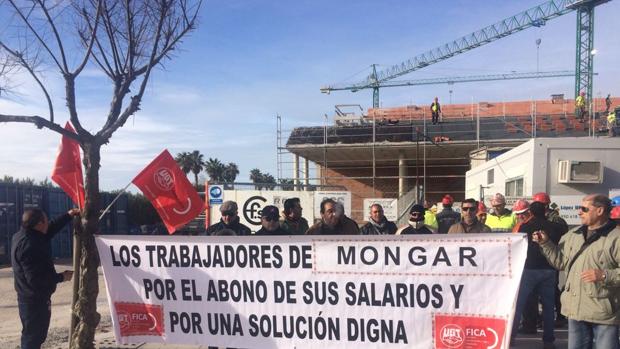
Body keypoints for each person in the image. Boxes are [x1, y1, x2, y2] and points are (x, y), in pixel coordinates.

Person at [533, 194, 620, 349]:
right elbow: (560, 263)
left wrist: (605, 275)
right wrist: (545, 243)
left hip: (603, 312)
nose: (580, 212)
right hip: (575, 310)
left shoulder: (616, 238)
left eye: (585, 209)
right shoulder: (573, 235)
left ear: (600, 211)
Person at [11, 208, 79, 349]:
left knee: (33, 336)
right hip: (34, 302)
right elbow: (35, 280)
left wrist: (68, 215)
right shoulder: (30, 245)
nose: (48, 223)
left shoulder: (24, 235)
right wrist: (61, 277)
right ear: (39, 224)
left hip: (29, 298)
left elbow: (52, 227)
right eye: (46, 220)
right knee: (33, 338)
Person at [511, 202, 566, 349]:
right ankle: (548, 340)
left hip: (529, 269)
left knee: (519, 305)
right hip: (549, 269)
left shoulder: (524, 227)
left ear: (531, 213)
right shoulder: (554, 226)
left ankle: (510, 339)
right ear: (545, 211)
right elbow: (564, 229)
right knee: (548, 307)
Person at [532, 192, 569, 327]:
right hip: (543, 255)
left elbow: (562, 237)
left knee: (552, 289)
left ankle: (560, 315)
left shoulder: (556, 220)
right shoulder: (545, 218)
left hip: (553, 255)